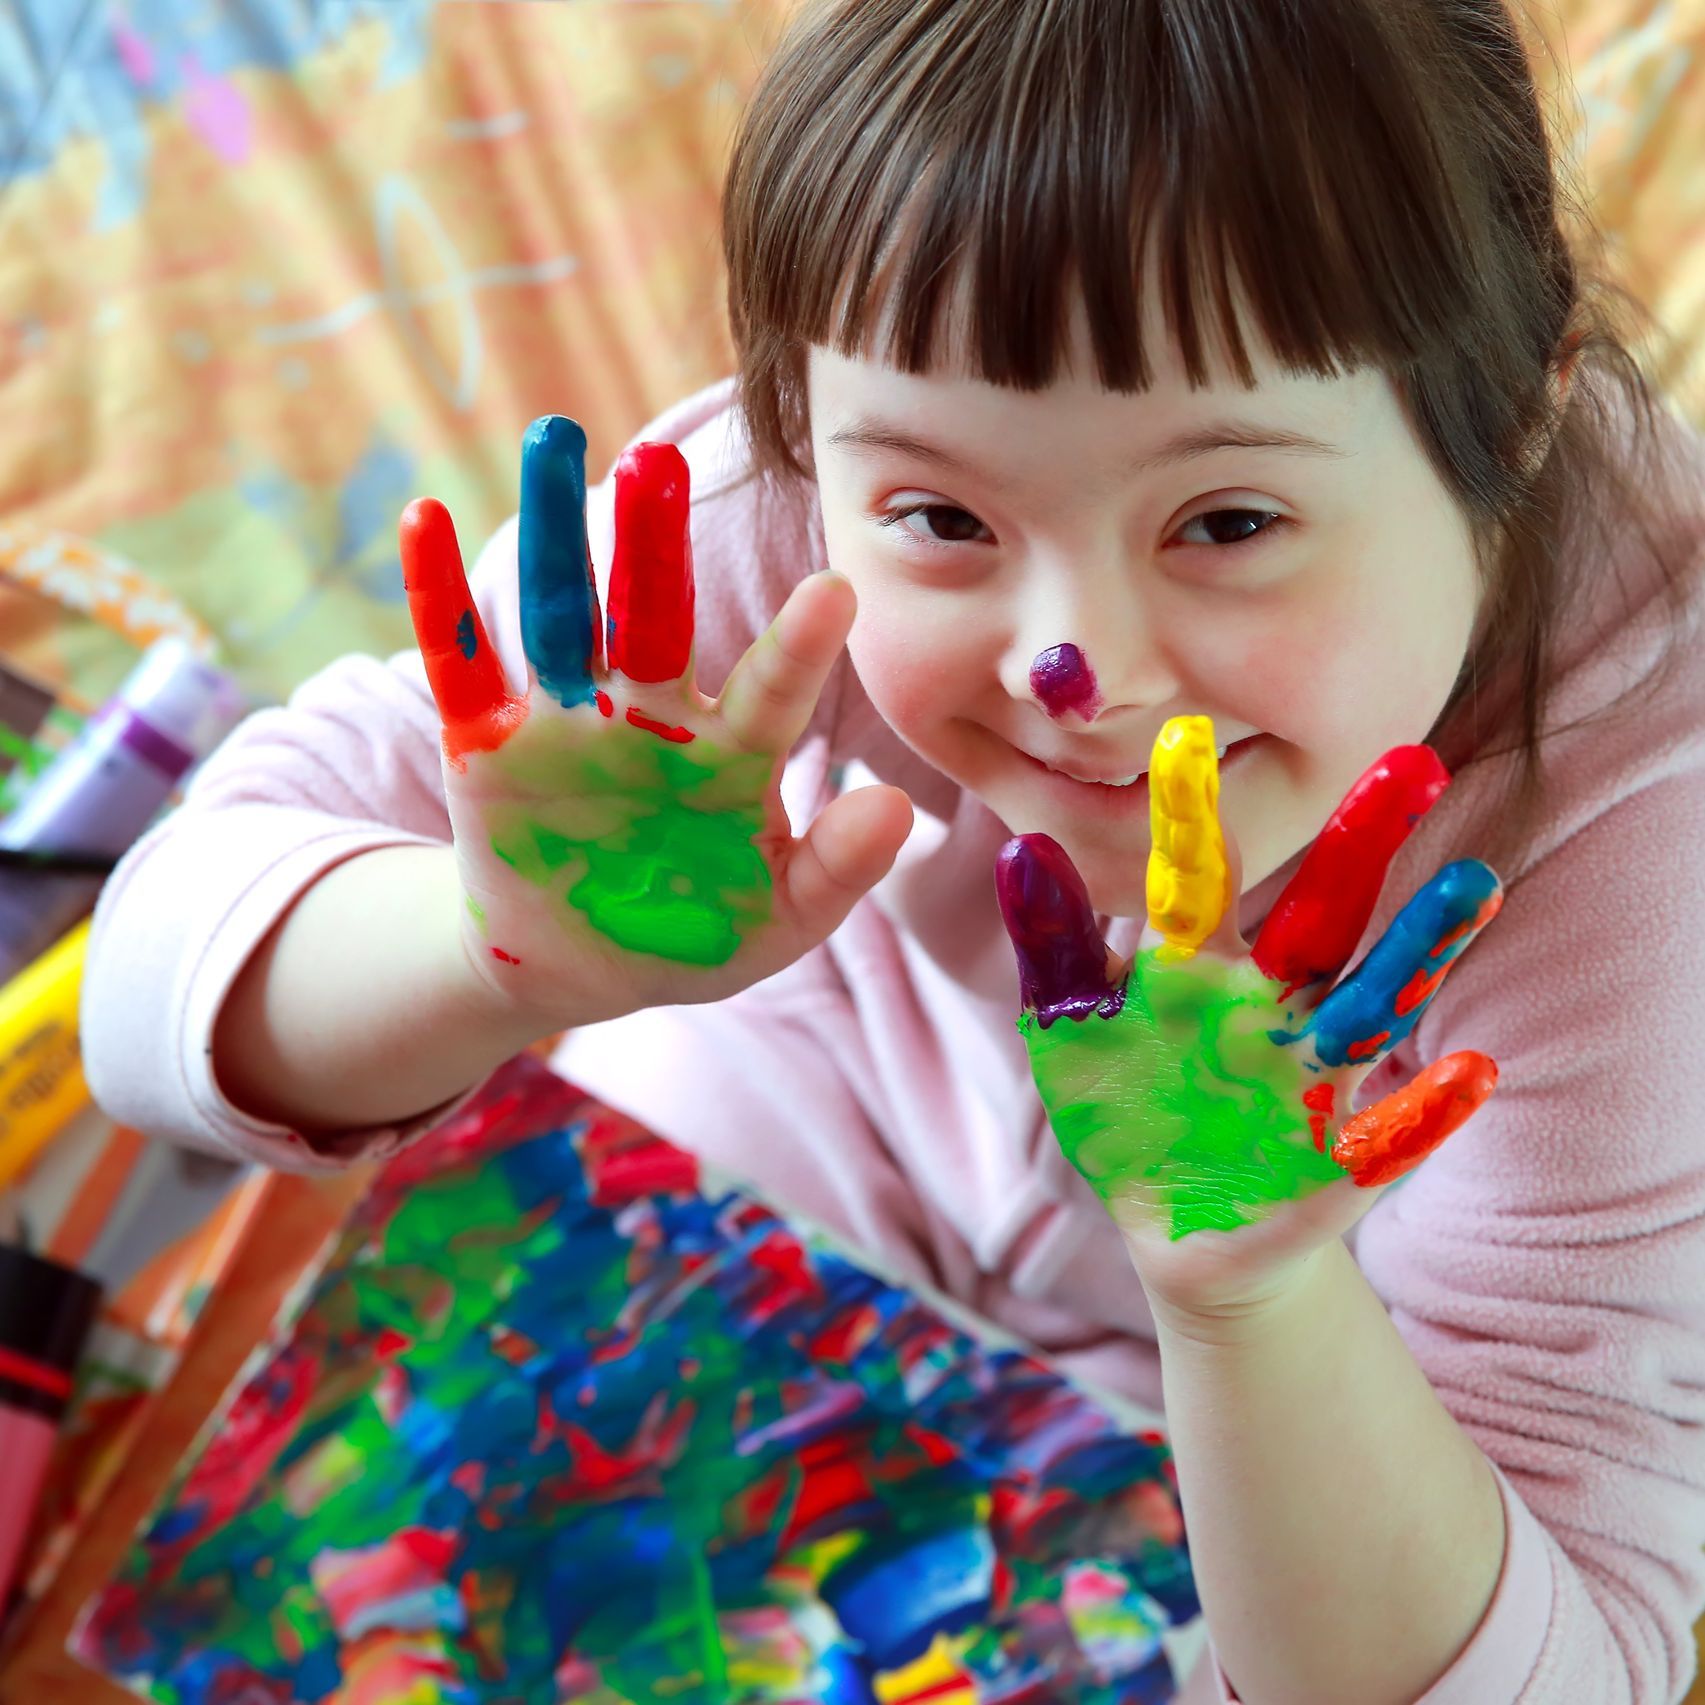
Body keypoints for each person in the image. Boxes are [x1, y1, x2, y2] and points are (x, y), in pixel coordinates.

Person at [82, 1, 1705, 1700]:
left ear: (1517, 415)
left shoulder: (1652, 828)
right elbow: (145, 987)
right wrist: (487, 951)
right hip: (810, 1086)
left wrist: (1254, 1298)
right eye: (943, 519)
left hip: (1310, 1383)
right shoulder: (764, 524)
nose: (1074, 671)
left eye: (1225, 521)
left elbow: (1566, 1666)